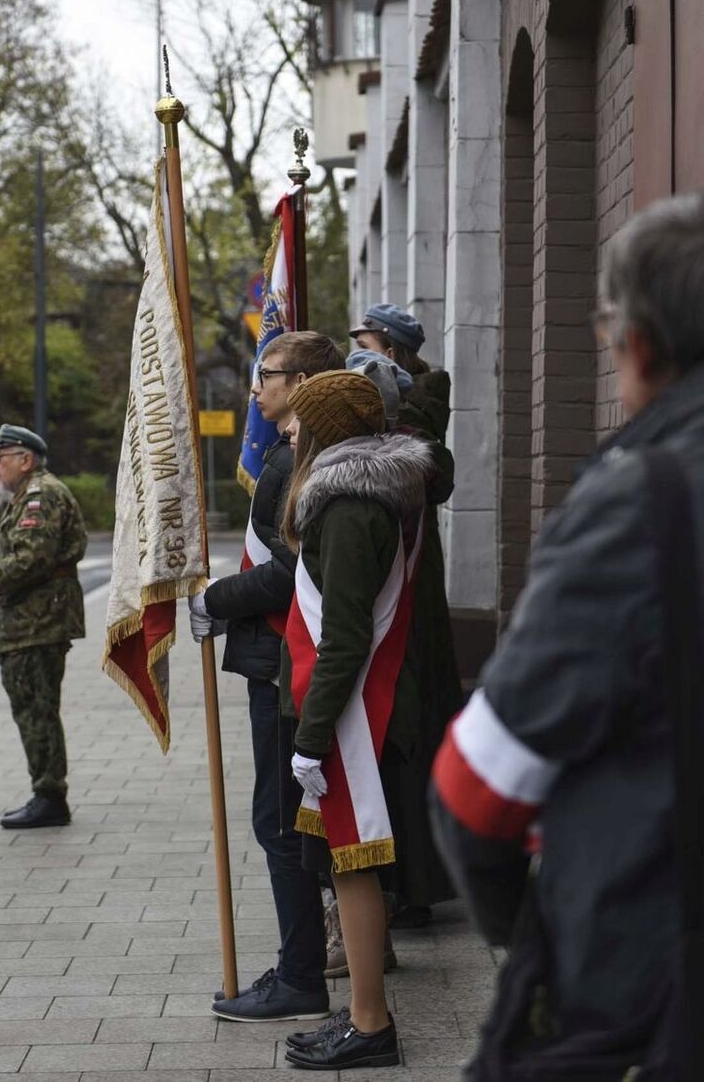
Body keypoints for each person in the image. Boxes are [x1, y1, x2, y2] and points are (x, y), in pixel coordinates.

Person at [430, 193, 704, 1077]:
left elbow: (475, 786)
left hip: (647, 988)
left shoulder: (640, 505)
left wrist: (547, 935)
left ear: (640, 344)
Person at [189, 330, 345, 1024]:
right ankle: (298, 963)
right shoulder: (293, 455)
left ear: (303, 383)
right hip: (277, 658)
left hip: (286, 664)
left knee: (279, 822)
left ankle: (301, 979)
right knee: (284, 819)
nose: (255, 388)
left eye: (268, 374)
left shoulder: (295, 461)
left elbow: (290, 572)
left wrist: (215, 600)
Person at [280, 371, 432, 1070]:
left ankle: (371, 1024)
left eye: (299, 421)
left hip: (350, 719)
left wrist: (310, 737)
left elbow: (343, 638)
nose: (288, 430)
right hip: (355, 712)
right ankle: (365, 1011)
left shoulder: (346, 508)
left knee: (353, 865)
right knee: (346, 866)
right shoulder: (367, 499)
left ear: (325, 432)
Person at [348, 307, 462, 930]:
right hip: (391, 588)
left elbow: (431, 476)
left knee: (411, 732)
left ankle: (414, 882)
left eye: (366, 345)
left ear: (390, 350)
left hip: (410, 598)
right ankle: (398, 880)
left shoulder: (420, 409)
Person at [0, 424, 87, 830]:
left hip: (38, 622)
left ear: (25, 460)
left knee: (37, 710)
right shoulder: (30, 494)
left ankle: (50, 797)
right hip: (31, 620)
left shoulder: (40, 495)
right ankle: (46, 793)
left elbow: (32, 562)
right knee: (32, 708)